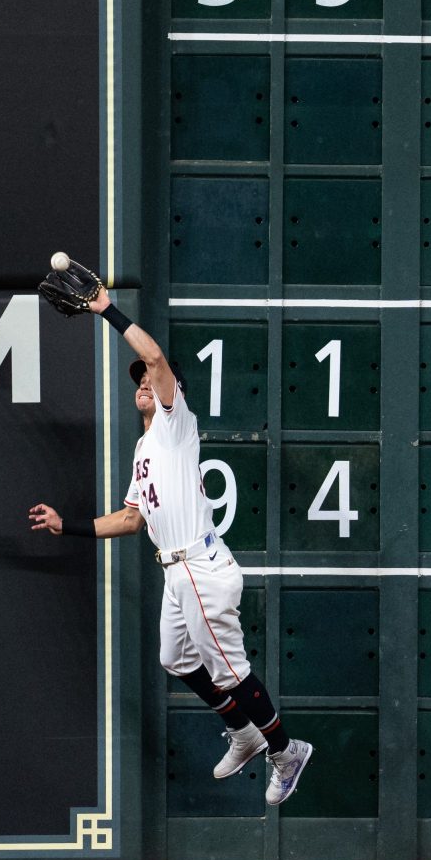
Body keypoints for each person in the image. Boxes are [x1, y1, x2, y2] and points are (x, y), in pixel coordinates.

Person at [28, 285, 312, 805]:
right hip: (175, 572)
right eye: (137, 382)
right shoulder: (144, 447)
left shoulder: (175, 424)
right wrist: (67, 525)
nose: (142, 382)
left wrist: (105, 310)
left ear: (169, 390)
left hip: (200, 566)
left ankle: (285, 751)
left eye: (149, 380)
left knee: (232, 672)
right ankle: (245, 734)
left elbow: (154, 355)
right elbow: (132, 519)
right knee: (176, 659)